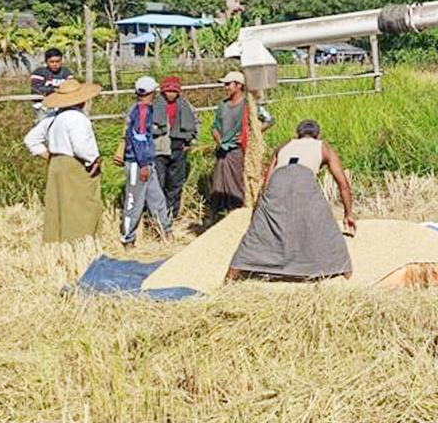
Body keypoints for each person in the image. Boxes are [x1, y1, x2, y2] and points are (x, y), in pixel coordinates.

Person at [228, 119, 357, 281]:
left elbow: (266, 184)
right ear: (318, 135)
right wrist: (348, 214)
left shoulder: (284, 146)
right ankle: (344, 272)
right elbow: (343, 185)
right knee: (327, 229)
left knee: (257, 235)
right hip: (304, 180)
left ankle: (233, 274)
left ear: (297, 135)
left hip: (277, 181)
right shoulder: (324, 147)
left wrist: (258, 216)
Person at [23, 79, 104, 243]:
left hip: (57, 164)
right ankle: (80, 240)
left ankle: (58, 239)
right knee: (82, 203)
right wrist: (93, 160)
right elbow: (81, 146)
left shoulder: (52, 118)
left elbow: (30, 140)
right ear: (82, 100)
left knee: (60, 203)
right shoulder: (77, 118)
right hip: (75, 164)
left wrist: (49, 156)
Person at [114, 76, 172, 247]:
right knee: (134, 200)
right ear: (152, 92)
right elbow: (139, 139)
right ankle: (128, 238)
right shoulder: (142, 111)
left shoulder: (139, 109)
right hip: (138, 163)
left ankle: (166, 231)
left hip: (146, 162)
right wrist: (144, 164)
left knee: (157, 198)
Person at [208, 71, 273, 215]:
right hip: (223, 151)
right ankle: (219, 213)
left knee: (236, 182)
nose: (225, 87)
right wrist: (218, 139)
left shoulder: (248, 104)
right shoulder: (223, 105)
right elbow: (214, 127)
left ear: (238, 85)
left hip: (238, 150)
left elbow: (269, 120)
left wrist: (250, 134)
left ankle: (237, 212)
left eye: (228, 84)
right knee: (219, 182)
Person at [152, 76, 197, 220]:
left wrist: (190, 141)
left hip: (179, 147)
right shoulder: (154, 105)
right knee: (159, 183)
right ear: (163, 92)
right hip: (159, 149)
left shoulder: (185, 106)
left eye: (174, 91)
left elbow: (195, 124)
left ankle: (172, 214)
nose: (171, 94)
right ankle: (159, 216)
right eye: (168, 91)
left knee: (176, 183)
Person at [29, 48, 75, 121]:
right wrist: (53, 90)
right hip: (44, 107)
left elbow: (72, 85)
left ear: (61, 61)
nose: (55, 64)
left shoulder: (66, 72)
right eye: (52, 62)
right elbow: (35, 88)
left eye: (57, 61)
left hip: (62, 106)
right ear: (46, 62)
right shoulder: (40, 72)